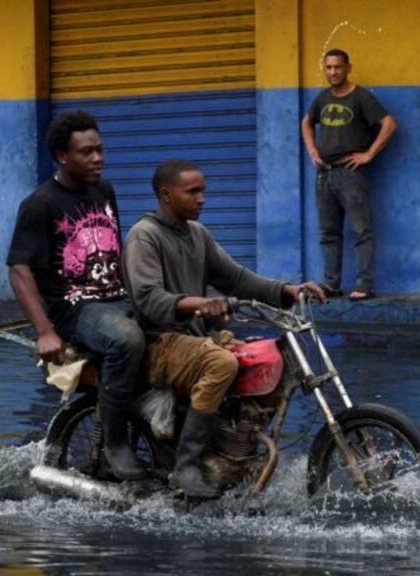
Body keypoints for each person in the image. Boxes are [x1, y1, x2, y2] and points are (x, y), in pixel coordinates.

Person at [124, 159, 326, 498]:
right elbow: (149, 298)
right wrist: (198, 304)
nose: (202, 198)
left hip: (192, 338)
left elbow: (236, 279)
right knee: (221, 363)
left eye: (203, 191)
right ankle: (186, 465)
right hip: (157, 341)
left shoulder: (197, 234)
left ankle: (237, 448)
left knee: (266, 356)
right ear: (165, 195)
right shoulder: (145, 235)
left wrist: (287, 290)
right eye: (193, 191)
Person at [6, 111, 146, 481]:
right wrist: (45, 331)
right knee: (126, 340)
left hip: (116, 299)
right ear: (61, 156)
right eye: (87, 152)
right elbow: (19, 271)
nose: (97, 158)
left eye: (100, 150)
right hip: (74, 309)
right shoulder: (40, 203)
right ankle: (116, 442)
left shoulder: (105, 191)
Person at [301, 48, 397, 301]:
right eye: (328, 67)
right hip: (325, 174)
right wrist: (312, 150)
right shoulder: (322, 99)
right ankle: (331, 284)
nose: (333, 72)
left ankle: (364, 285)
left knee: (361, 230)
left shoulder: (360, 97)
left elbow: (389, 124)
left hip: (350, 174)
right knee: (328, 232)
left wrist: (368, 154)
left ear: (348, 68)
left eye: (337, 67)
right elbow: (306, 122)